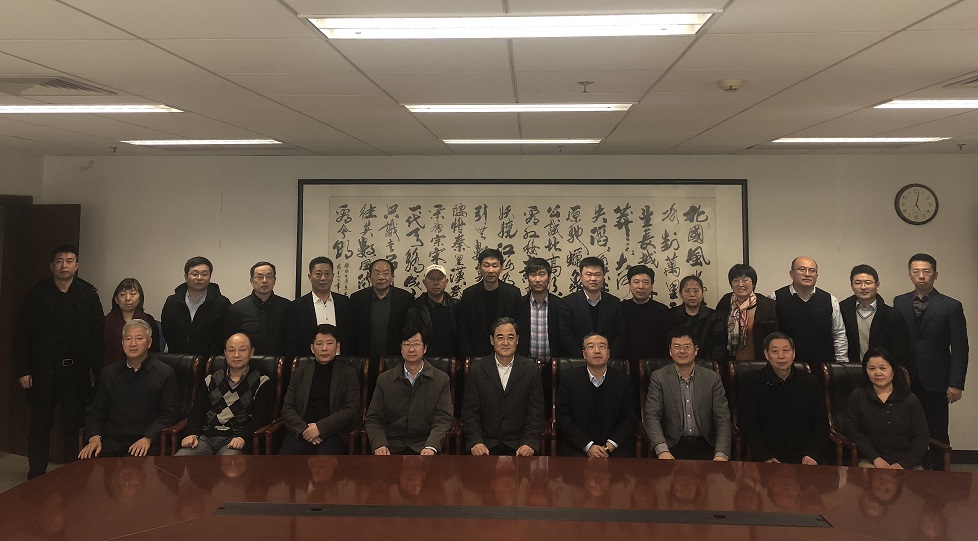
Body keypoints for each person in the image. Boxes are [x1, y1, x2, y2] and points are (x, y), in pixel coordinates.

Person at [16, 244, 104, 479]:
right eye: (59, 261)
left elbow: (97, 338)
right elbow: (22, 334)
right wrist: (24, 370)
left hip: (76, 372)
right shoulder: (38, 295)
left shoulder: (88, 295)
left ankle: (71, 475)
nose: (64, 265)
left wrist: (97, 373)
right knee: (40, 424)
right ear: (51, 265)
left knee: (73, 425)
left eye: (69, 261)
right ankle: (36, 474)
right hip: (43, 371)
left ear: (77, 265)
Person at [893, 253, 969, 467]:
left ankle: (940, 475)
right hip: (906, 378)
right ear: (909, 274)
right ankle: (909, 471)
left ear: (935, 275)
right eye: (916, 271)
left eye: (926, 271)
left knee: (937, 430)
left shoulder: (951, 306)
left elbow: (960, 348)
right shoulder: (900, 302)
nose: (921, 276)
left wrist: (956, 383)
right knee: (905, 428)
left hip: (936, 380)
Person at [79, 319, 178, 459]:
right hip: (110, 443)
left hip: (145, 443)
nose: (133, 344)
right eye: (128, 339)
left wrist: (148, 438)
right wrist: (94, 437)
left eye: (139, 338)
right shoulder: (109, 373)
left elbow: (169, 414)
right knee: (84, 467)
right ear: (122, 343)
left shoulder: (164, 373)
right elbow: (97, 412)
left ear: (149, 343)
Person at [737, 332, 828, 465]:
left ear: (793, 353)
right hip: (768, 458)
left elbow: (821, 422)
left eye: (786, 350)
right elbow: (748, 424)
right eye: (775, 351)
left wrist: (813, 454)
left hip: (806, 457)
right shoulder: (752, 383)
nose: (781, 356)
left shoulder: (811, 382)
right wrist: (764, 456)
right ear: (766, 354)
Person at [176, 333, 272, 456]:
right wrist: (192, 434)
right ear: (225, 353)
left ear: (252, 352)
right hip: (207, 437)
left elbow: (260, 418)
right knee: (182, 457)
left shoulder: (261, 381)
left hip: (236, 439)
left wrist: (243, 437)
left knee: (228, 462)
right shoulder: (211, 379)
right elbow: (197, 411)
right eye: (231, 350)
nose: (236, 355)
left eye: (242, 350)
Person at [644, 329, 731, 461]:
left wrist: (721, 454)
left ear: (696, 350)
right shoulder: (659, 377)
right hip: (671, 445)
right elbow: (652, 416)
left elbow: (722, 418)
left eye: (687, 346)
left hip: (706, 444)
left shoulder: (712, 378)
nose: (682, 351)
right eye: (677, 347)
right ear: (670, 351)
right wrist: (662, 450)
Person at [462, 317, 544, 456]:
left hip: (520, 447)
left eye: (510, 337)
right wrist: (476, 441)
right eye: (500, 337)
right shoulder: (477, 370)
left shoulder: (531, 370)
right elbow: (470, 412)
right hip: (485, 447)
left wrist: (529, 442)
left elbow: (536, 412)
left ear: (517, 340)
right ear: (492, 340)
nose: (505, 343)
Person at [365, 327, 454, 455]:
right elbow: (374, 418)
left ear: (425, 348)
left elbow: (443, 419)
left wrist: (432, 446)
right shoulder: (384, 380)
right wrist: (380, 444)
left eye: (416, 344)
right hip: (392, 447)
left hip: (425, 446)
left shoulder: (441, 379)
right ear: (401, 348)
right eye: (407, 344)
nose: (411, 349)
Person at [279, 324, 361, 455]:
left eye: (329, 343)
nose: (324, 348)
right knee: (285, 460)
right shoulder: (300, 373)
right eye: (319, 344)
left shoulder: (349, 373)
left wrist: (320, 429)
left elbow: (351, 410)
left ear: (337, 346)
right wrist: (305, 430)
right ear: (312, 348)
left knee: (323, 461)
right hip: (303, 431)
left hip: (334, 433)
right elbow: (287, 408)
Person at [843, 348, 929, 469]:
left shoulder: (910, 399)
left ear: (893, 371)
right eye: (872, 368)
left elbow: (921, 436)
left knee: (913, 481)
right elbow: (852, 430)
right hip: (871, 460)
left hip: (907, 463)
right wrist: (875, 458)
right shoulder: (858, 396)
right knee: (872, 478)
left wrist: (903, 464)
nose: (877, 373)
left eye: (883, 368)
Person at [555, 333, 638, 457]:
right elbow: (563, 418)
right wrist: (588, 446)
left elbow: (630, 418)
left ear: (608, 353)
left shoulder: (623, 381)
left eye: (602, 346)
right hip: (578, 447)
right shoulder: (569, 379)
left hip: (615, 448)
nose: (597, 351)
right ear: (584, 354)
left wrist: (609, 446)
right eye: (591, 347)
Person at [771, 256, 847, 373]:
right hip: (786, 368)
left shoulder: (830, 300)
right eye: (802, 269)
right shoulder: (775, 298)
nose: (807, 274)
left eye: (812, 271)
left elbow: (839, 334)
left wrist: (841, 365)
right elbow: (770, 337)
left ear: (817, 275)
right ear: (791, 274)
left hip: (823, 368)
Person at [457, 248, 522, 359]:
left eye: (495, 266)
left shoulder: (513, 294)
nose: (490, 270)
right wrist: (469, 358)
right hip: (476, 356)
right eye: (486, 265)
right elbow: (463, 330)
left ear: (501, 268)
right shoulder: (469, 295)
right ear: (479, 268)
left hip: (506, 355)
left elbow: (518, 328)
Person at [284, 256, 353, 359]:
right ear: (310, 276)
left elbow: (350, 336)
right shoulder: (297, 306)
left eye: (327, 274)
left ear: (333, 276)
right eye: (318, 274)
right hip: (309, 362)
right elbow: (292, 341)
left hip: (341, 362)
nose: (323, 278)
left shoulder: (344, 302)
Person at [841, 264, 910, 366]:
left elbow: (900, 350)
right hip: (850, 368)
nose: (863, 287)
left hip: (881, 370)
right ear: (852, 286)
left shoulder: (892, 316)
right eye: (858, 283)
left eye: (868, 282)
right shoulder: (841, 311)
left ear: (877, 285)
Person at [161, 256, 231, 355]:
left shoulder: (222, 303)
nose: (199, 278)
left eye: (204, 274)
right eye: (194, 274)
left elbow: (226, 334)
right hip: (178, 358)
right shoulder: (172, 302)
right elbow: (167, 330)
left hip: (209, 360)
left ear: (210, 277)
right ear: (186, 276)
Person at [559, 257, 626, 359]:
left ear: (603, 276)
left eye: (597, 275)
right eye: (589, 274)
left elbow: (620, 335)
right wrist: (584, 359)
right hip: (578, 362)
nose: (593, 279)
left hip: (609, 362)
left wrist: (607, 357)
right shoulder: (568, 303)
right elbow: (566, 336)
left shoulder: (614, 303)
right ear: (581, 277)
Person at [350, 258, 414, 360]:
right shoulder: (357, 299)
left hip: (395, 359)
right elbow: (352, 331)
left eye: (385, 273)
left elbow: (409, 331)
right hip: (364, 358)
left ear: (392, 276)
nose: (381, 277)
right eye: (376, 273)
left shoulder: (406, 299)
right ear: (369, 277)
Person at [223, 261, 290, 355]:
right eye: (259, 277)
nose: (264, 281)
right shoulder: (236, 310)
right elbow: (228, 342)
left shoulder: (287, 307)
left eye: (269, 277)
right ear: (251, 281)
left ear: (274, 280)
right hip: (247, 362)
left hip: (279, 361)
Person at [716, 264, 779, 361]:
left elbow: (774, 337)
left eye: (745, 280)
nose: (740, 284)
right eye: (736, 280)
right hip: (730, 363)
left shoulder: (767, 305)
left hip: (760, 362)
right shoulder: (725, 303)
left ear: (753, 284)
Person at [403, 264, 459, 359]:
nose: (436, 282)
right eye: (431, 279)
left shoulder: (457, 306)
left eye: (440, 278)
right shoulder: (415, 309)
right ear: (424, 282)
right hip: (426, 361)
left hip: (453, 361)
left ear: (446, 282)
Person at [102, 278, 160, 369]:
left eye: (132, 294)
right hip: (112, 372)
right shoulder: (105, 322)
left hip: (145, 371)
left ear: (140, 298)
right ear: (116, 300)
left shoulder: (148, 320)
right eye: (123, 295)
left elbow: (155, 352)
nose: (128, 298)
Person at [619, 264, 671, 362]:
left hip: (655, 365)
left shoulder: (663, 311)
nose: (641, 286)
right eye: (636, 282)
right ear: (629, 285)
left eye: (645, 282)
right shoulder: (620, 309)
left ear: (652, 286)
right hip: (626, 364)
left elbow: (667, 343)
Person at [515, 257, 563, 359]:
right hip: (525, 363)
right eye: (533, 275)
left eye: (541, 274)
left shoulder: (560, 305)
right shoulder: (519, 305)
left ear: (549, 277)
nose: (537, 280)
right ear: (527, 278)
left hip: (554, 364)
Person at [670, 275, 726, 362]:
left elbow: (719, 347)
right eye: (687, 291)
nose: (692, 294)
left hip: (707, 365)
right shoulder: (672, 315)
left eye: (696, 291)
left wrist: (715, 366)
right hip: (677, 364)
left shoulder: (713, 316)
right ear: (680, 294)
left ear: (703, 293)